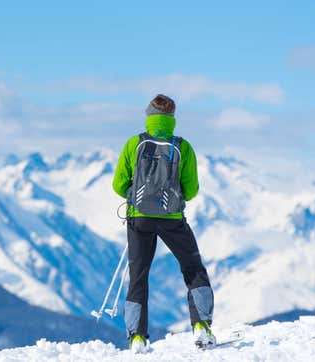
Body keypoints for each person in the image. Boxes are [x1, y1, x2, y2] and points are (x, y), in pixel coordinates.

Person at [112, 94, 215, 353]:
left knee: (139, 276)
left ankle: (137, 337)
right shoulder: (183, 147)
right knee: (193, 268)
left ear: (149, 115)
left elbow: (118, 184)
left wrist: (135, 196)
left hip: (139, 218)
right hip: (172, 219)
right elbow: (191, 190)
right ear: (172, 118)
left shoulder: (134, 144)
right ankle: (201, 325)